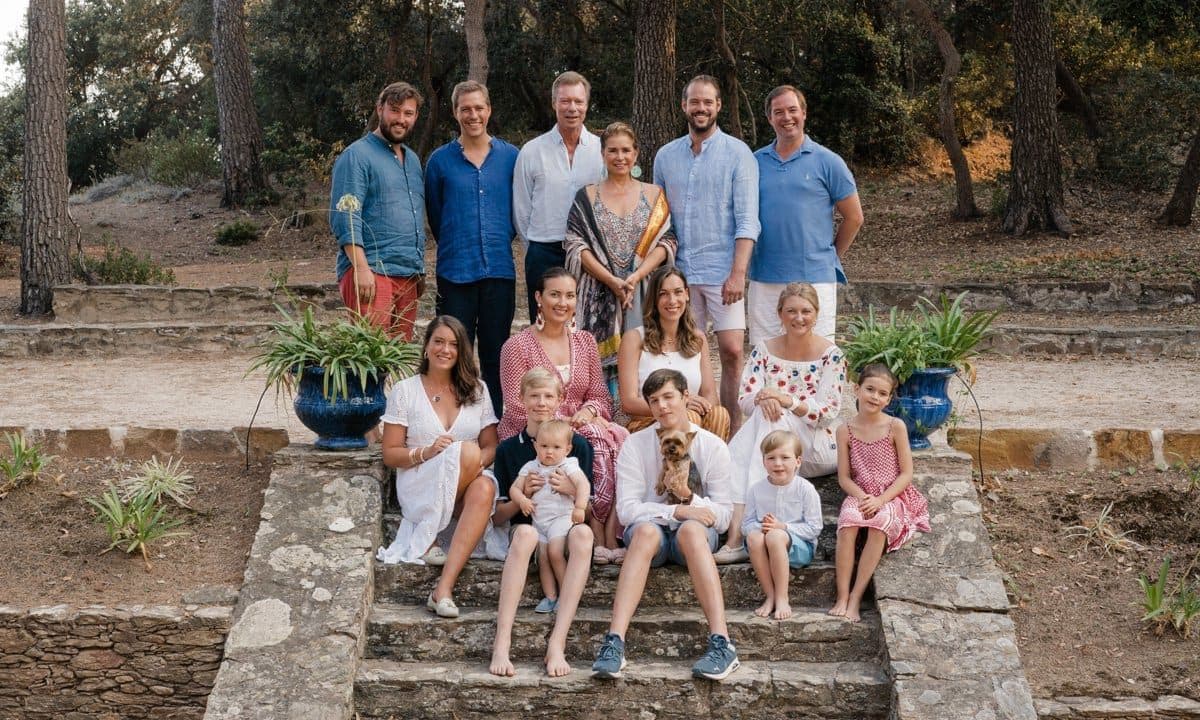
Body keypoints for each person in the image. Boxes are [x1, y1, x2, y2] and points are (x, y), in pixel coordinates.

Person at [592, 368, 740, 682]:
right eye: (654, 400)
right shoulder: (635, 445)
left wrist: (690, 500)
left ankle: (722, 643)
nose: (662, 406)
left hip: (694, 537)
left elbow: (724, 515)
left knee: (691, 531)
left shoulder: (713, 447)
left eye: (669, 397)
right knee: (646, 530)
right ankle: (614, 642)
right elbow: (628, 510)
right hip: (651, 536)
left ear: (686, 397)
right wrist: (678, 511)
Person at [499, 267, 630, 562]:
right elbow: (517, 405)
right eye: (554, 294)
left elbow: (599, 395)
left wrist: (588, 410)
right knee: (595, 437)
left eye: (570, 295)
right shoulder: (516, 346)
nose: (563, 303)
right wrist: (568, 423)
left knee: (617, 436)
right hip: (534, 434)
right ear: (538, 298)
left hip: (578, 429)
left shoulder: (584, 342)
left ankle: (611, 531)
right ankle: (593, 531)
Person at [653, 75, 759, 435]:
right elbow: (659, 218)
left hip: (722, 271)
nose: (701, 108)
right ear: (684, 106)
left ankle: (731, 427)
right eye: (694, 102)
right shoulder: (666, 157)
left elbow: (747, 218)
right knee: (686, 353)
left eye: (708, 102)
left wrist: (737, 273)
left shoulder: (737, 153)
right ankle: (692, 425)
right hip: (679, 274)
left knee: (730, 350)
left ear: (718, 106)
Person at [376, 316, 499, 621]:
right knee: (467, 453)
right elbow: (391, 454)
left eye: (454, 344)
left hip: (466, 481)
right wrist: (427, 452)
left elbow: (491, 446)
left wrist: (465, 464)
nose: (446, 349)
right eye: (439, 341)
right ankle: (427, 535)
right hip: (419, 479)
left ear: (462, 352)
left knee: (484, 486)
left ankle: (442, 589)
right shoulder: (405, 390)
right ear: (427, 346)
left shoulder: (478, 390)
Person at [721, 283, 845, 564]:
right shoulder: (764, 351)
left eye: (805, 311)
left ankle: (739, 535)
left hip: (815, 447)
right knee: (767, 415)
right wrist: (765, 399)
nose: (798, 318)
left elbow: (827, 412)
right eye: (791, 311)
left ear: (816, 314)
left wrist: (785, 400)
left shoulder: (832, 355)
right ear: (780, 313)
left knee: (772, 416)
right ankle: (741, 532)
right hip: (772, 446)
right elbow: (745, 399)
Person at [491, 368, 595, 677]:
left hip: (563, 525)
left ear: (560, 399)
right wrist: (523, 496)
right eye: (534, 396)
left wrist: (570, 490)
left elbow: (585, 511)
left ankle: (557, 644)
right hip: (529, 526)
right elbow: (498, 516)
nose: (541, 402)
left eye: (548, 396)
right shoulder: (509, 449)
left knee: (585, 536)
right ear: (520, 399)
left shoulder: (576, 446)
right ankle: (502, 642)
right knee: (524, 537)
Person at [425, 80, 520, 415]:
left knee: (497, 353)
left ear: (489, 110)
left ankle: (493, 421)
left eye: (479, 107)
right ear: (455, 113)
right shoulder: (439, 161)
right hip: (455, 271)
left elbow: (516, 211)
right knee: (452, 352)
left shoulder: (511, 156)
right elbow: (436, 215)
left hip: (498, 270)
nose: (473, 114)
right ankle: (453, 419)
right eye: (466, 108)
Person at [565, 121, 676, 395]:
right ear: (603, 154)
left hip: (646, 293)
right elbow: (575, 244)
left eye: (626, 150)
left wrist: (636, 276)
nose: (620, 157)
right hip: (598, 293)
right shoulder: (586, 196)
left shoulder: (654, 195)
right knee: (601, 367)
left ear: (636, 154)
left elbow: (667, 241)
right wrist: (612, 280)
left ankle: (643, 417)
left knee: (647, 357)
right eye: (613, 150)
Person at [749, 85, 864, 345]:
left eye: (792, 110)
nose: (786, 117)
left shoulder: (828, 161)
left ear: (804, 113)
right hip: (765, 276)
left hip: (816, 279)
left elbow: (854, 217)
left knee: (818, 356)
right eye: (779, 112)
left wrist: (830, 256)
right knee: (765, 356)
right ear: (769, 118)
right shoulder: (753, 162)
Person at [831, 364, 930, 623]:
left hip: (891, 496)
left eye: (882, 393)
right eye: (870, 389)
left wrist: (881, 499)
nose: (875, 397)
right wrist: (863, 497)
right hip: (860, 493)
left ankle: (856, 597)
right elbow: (844, 477)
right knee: (847, 524)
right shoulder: (845, 430)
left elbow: (906, 473)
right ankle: (841, 595)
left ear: (888, 399)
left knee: (878, 525)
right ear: (857, 389)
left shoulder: (895, 426)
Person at [330, 81, 427, 340]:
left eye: (408, 113)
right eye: (394, 111)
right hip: (372, 272)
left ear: (416, 116)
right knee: (371, 359)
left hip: (408, 274)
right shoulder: (357, 156)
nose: (401, 119)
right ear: (379, 109)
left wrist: (420, 269)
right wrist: (361, 269)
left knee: (399, 360)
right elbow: (345, 217)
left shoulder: (414, 160)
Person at [513, 71, 605, 324]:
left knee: (586, 325)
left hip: (591, 253)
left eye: (578, 101)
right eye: (565, 101)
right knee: (544, 326)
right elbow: (521, 210)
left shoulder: (602, 150)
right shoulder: (532, 151)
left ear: (587, 104)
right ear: (554, 104)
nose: (572, 108)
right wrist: (535, 248)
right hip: (544, 251)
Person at [616, 266, 730, 440]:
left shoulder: (698, 339)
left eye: (678, 292)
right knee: (687, 419)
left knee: (719, 414)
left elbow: (710, 394)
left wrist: (701, 407)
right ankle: (681, 467)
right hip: (647, 421)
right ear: (654, 299)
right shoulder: (634, 338)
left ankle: (708, 466)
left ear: (686, 294)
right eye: (663, 294)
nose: (672, 300)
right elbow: (629, 402)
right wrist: (678, 407)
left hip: (693, 419)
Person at [743, 430, 823, 620]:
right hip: (763, 547)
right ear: (763, 462)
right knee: (754, 535)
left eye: (785, 457)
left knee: (776, 536)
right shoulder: (756, 490)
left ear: (798, 461)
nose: (778, 463)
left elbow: (814, 528)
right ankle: (770, 595)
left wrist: (783, 527)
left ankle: (782, 597)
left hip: (798, 549)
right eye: (771, 458)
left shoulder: (805, 489)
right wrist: (761, 527)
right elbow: (745, 524)